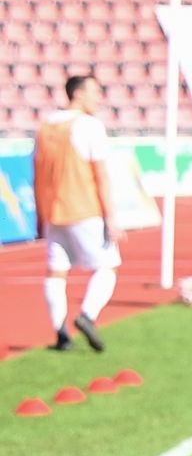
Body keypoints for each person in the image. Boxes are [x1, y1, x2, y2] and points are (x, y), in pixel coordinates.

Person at [33, 72, 117, 351]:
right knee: (107, 268)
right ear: (78, 93)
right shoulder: (89, 126)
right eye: (95, 91)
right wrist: (111, 216)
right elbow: (101, 174)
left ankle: (61, 334)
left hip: (53, 212)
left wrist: (39, 215)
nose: (99, 97)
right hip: (84, 209)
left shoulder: (45, 126)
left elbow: (36, 174)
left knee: (56, 273)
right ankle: (87, 316)